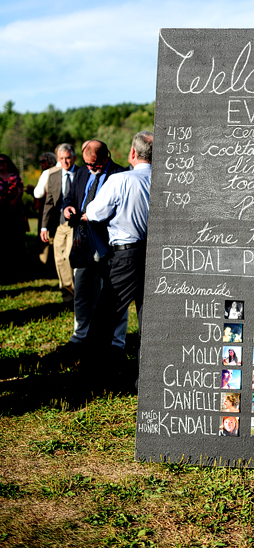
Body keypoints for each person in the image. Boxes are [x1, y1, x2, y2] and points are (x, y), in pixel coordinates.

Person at [84, 131, 152, 385]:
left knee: (105, 318)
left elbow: (95, 212)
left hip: (127, 256)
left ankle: (90, 380)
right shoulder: (168, 180)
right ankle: (144, 382)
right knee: (149, 320)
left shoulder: (121, 179)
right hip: (158, 257)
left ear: (132, 153)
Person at [61, 140, 127, 350]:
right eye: (88, 164)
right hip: (82, 240)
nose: (91, 168)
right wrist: (68, 207)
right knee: (82, 290)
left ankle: (116, 341)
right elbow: (69, 196)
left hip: (109, 242)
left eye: (95, 164)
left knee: (115, 293)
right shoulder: (81, 173)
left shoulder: (120, 174)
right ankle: (80, 335)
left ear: (106, 156)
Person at [40, 144, 79, 303]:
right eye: (61, 159)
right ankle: (67, 294)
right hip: (58, 225)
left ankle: (77, 293)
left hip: (75, 224)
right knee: (59, 259)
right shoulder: (53, 175)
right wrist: (44, 226)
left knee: (70, 256)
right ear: (57, 159)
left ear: (74, 158)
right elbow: (48, 203)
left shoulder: (81, 174)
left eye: (68, 158)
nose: (65, 162)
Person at [0, 154, 28, 283]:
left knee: (17, 241)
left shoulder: (14, 176)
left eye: (3, 162)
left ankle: (19, 270)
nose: (1, 164)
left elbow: (20, 190)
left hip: (15, 211)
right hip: (1, 213)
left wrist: (14, 201)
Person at [31, 151, 58, 270]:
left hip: (47, 209)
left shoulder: (48, 173)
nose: (41, 163)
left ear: (50, 162)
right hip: (56, 210)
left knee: (45, 237)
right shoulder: (60, 172)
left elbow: (38, 193)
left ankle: (45, 266)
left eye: (43, 161)